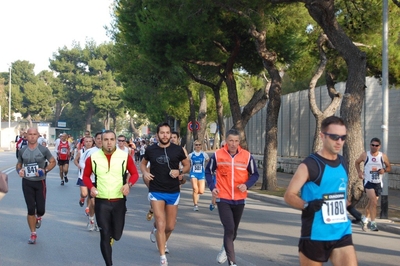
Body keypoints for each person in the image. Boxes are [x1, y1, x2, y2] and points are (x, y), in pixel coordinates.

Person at [283, 116, 357, 266]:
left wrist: (353, 210)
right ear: (322, 136)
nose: (339, 142)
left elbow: (338, 194)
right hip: (315, 234)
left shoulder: (343, 162)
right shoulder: (310, 165)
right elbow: (289, 195)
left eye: (343, 138)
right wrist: (307, 206)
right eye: (335, 137)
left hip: (341, 231)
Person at [82, 130, 139, 266]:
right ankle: (109, 264)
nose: (109, 142)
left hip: (119, 200)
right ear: (100, 141)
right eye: (105, 139)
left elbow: (135, 174)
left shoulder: (124, 157)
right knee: (104, 235)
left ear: (115, 141)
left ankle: (113, 237)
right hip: (101, 201)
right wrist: (92, 187)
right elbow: (85, 176)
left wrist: (128, 184)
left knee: (117, 235)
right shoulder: (93, 157)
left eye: (112, 139)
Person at [205, 129, 259, 266]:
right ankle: (232, 262)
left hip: (240, 198)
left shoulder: (247, 156)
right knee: (229, 228)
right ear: (226, 141)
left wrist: (246, 185)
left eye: (236, 141)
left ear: (239, 142)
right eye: (231, 141)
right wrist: (213, 187)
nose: (233, 144)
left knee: (233, 231)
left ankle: (225, 248)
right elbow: (208, 171)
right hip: (223, 197)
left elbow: (255, 174)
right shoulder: (218, 155)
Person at [140, 122, 190, 266]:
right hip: (156, 190)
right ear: (157, 135)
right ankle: (162, 257)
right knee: (161, 223)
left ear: (170, 134)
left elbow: (187, 165)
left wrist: (179, 172)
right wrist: (145, 173)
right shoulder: (151, 150)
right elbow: (143, 164)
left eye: (167, 132)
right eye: (162, 133)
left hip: (173, 191)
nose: (165, 135)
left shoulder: (178, 150)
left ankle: (159, 236)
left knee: (170, 226)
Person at [16, 127, 56, 244]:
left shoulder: (43, 150)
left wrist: (45, 170)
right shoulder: (22, 150)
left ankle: (39, 217)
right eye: (30, 134)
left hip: (40, 182)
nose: (32, 136)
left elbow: (53, 162)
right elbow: (18, 165)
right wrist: (20, 172)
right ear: (26, 136)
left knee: (41, 210)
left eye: (34, 134)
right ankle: (33, 233)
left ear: (38, 136)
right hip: (27, 182)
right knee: (30, 209)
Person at [355, 137, 391, 232]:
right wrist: (359, 172)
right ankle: (373, 224)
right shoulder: (365, 155)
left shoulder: (382, 156)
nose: (374, 147)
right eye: (372, 145)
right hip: (368, 181)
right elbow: (357, 162)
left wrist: (384, 170)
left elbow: (389, 167)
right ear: (370, 145)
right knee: (374, 201)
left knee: (371, 203)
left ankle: (364, 219)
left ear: (379, 147)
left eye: (376, 145)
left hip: (378, 183)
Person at [188, 139, 209, 211]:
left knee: (201, 191)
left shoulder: (204, 154)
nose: (198, 146)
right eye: (196, 145)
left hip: (201, 173)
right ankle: (195, 205)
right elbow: (186, 163)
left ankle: (197, 195)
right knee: (195, 189)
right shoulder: (191, 155)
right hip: (193, 173)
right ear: (194, 146)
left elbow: (209, 162)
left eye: (199, 145)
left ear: (201, 146)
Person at [209, 140, 226, 211]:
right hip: (217, 177)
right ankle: (213, 203)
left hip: (227, 178)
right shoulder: (217, 154)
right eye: (222, 146)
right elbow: (210, 168)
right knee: (216, 190)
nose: (224, 147)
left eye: (225, 146)